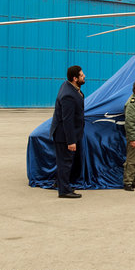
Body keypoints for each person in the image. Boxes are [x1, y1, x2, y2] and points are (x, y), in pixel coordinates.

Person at [50, 65, 86, 199]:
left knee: (67, 161)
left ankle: (59, 183)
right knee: (65, 162)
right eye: (82, 75)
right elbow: (67, 120)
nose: (84, 76)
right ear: (75, 78)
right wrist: (71, 141)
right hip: (63, 135)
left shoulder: (70, 87)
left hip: (72, 133)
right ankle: (64, 190)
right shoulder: (68, 95)